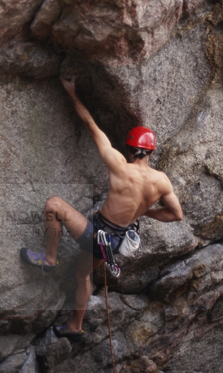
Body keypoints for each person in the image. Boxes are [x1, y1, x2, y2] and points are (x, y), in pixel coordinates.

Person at [20, 76, 183, 341]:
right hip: (114, 242)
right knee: (82, 274)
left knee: (53, 205)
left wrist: (72, 93)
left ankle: (49, 260)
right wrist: (146, 212)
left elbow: (90, 124)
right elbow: (177, 214)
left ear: (130, 149)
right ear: (150, 152)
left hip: (99, 235)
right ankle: (75, 326)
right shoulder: (162, 181)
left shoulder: (120, 165)